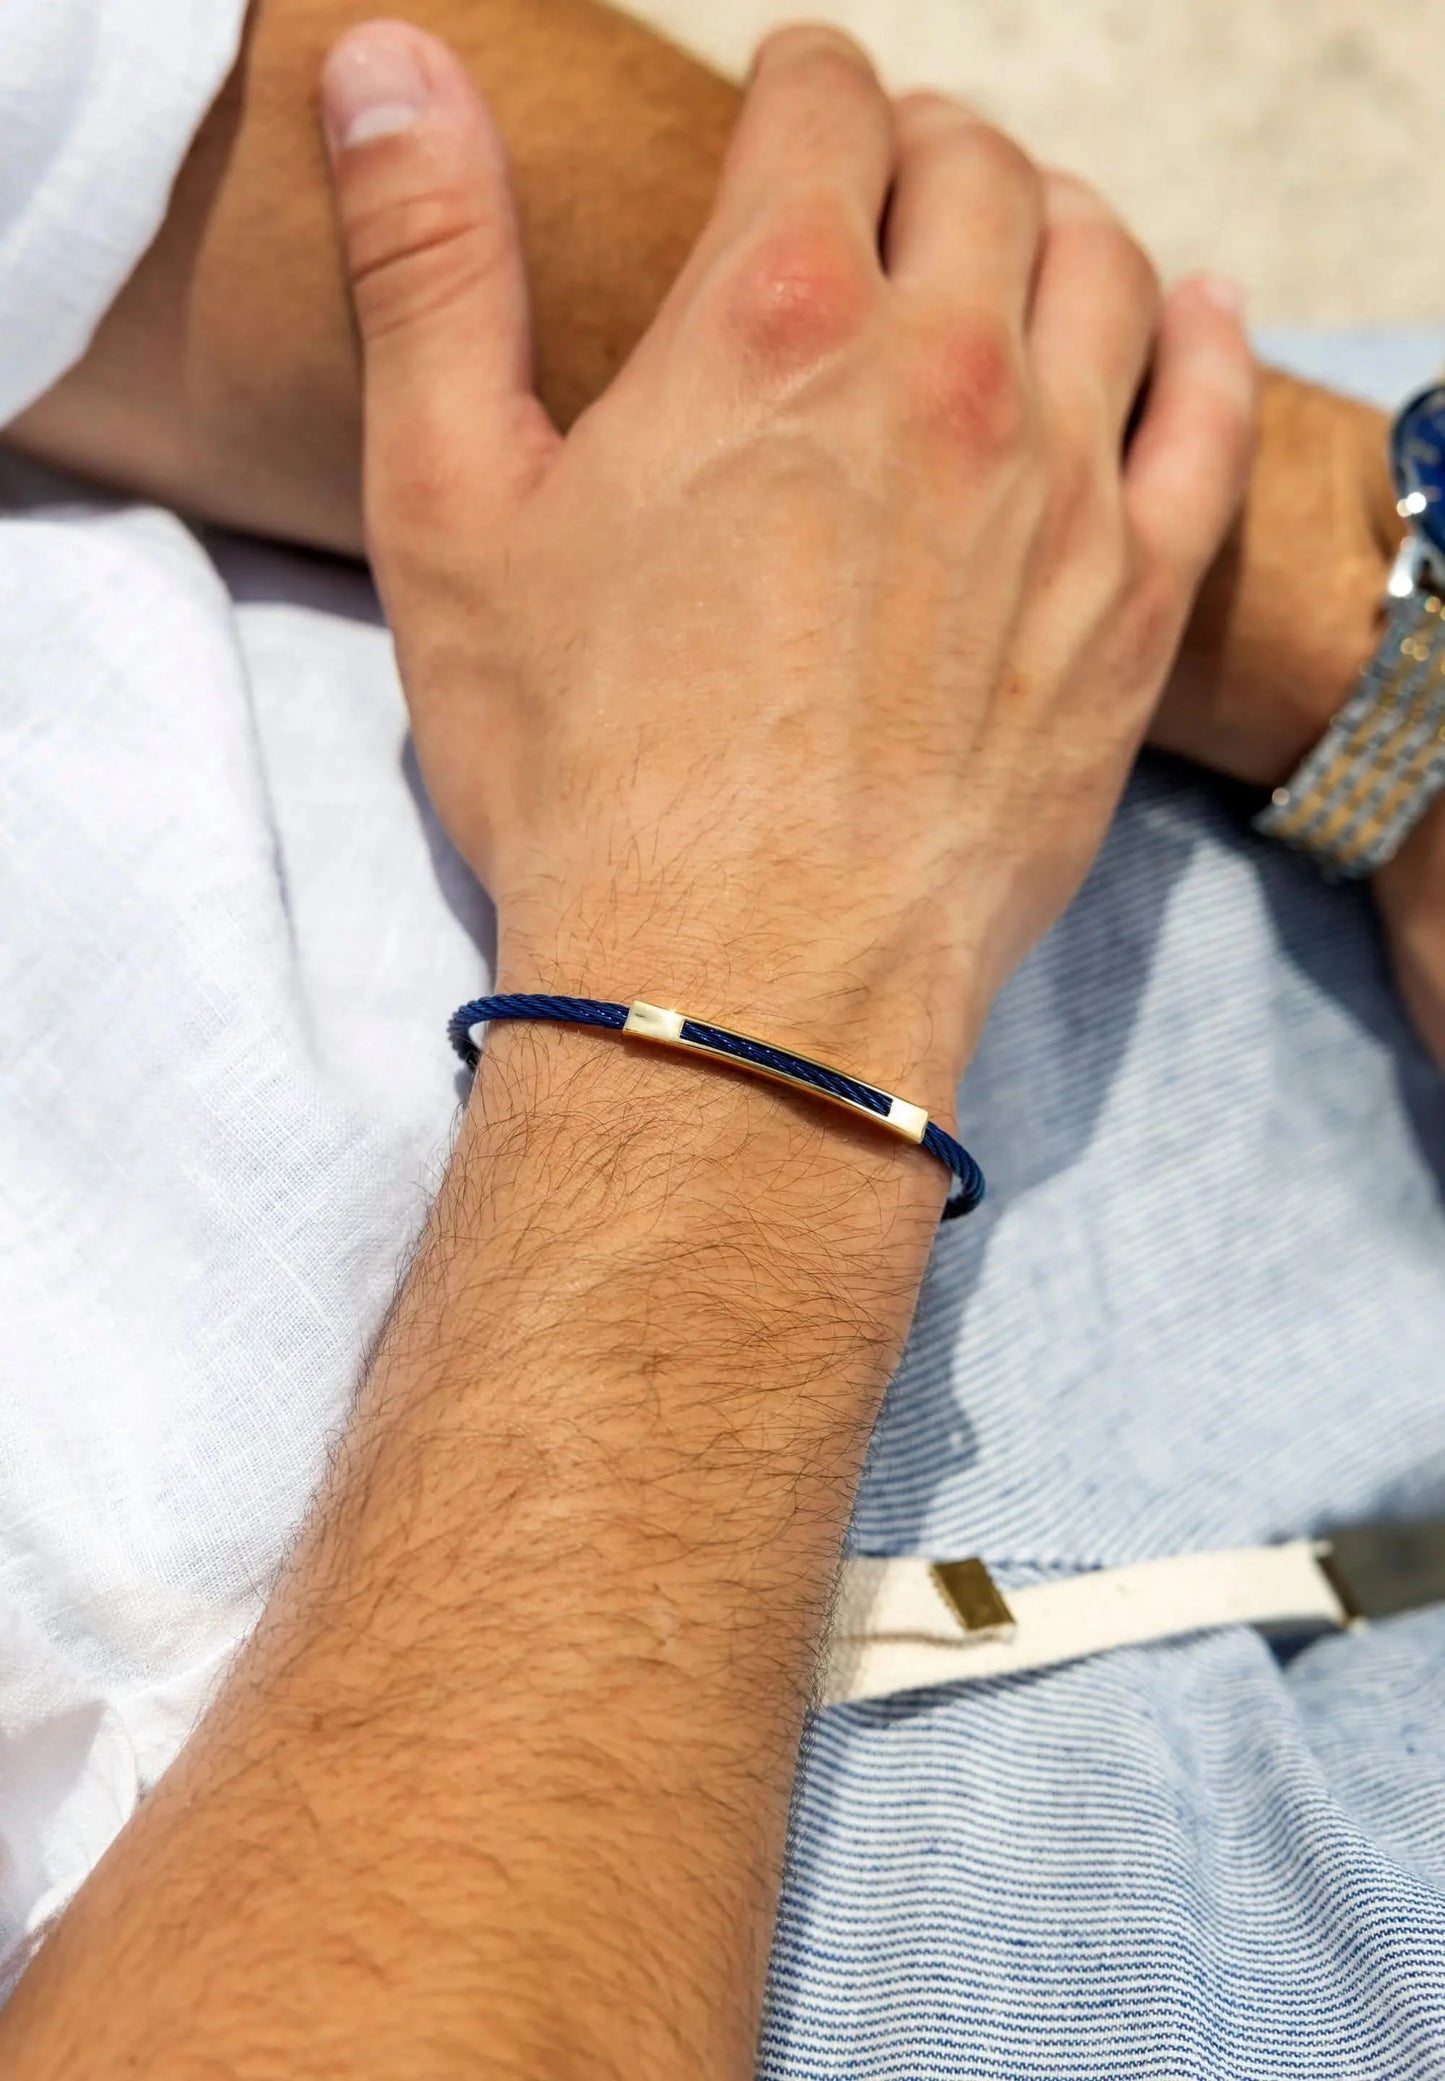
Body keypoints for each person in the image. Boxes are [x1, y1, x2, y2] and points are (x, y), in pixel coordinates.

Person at [0, 6, 1442, 2078]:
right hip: (566, 1897)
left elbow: (115, 114)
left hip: (1035, 669)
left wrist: (1375, 623)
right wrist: (748, 959)